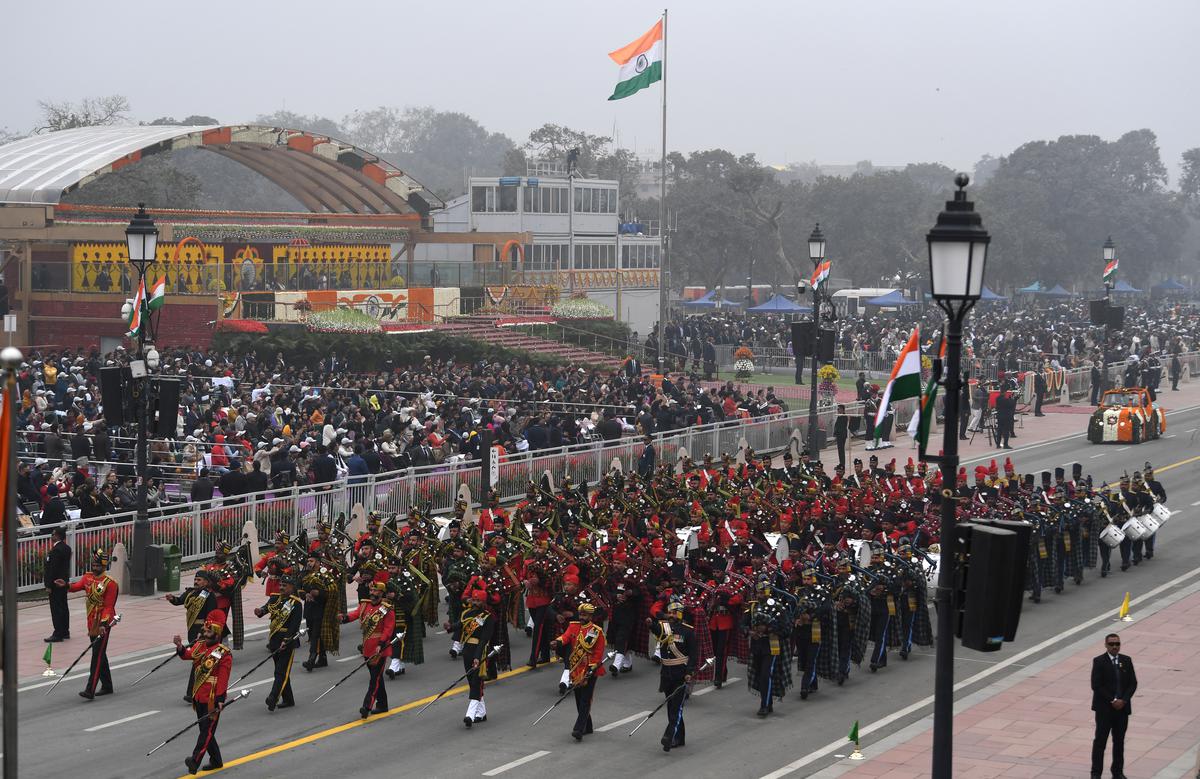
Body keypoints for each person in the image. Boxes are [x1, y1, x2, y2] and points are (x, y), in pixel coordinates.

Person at [173, 609, 231, 774]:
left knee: (206, 731)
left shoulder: (223, 653)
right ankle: (216, 760)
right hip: (198, 695)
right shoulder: (200, 645)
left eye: (208, 631)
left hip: (212, 697)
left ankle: (195, 760)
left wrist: (220, 698)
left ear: (217, 633)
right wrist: (179, 647)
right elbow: (188, 655)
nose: (204, 633)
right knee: (206, 730)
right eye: (204, 630)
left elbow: (223, 679)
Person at [54, 547, 117, 699]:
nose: (95, 568)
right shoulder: (87, 578)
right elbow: (76, 587)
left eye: (98, 566)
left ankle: (90, 689)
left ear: (104, 566)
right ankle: (107, 685)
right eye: (93, 565)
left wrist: (103, 625)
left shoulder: (110, 583)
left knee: (96, 656)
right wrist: (66, 585)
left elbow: (109, 607)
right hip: (90, 623)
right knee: (100, 653)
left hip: (103, 624)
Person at [342, 572, 396, 719]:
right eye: (371, 590)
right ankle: (383, 704)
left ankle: (367, 706)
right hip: (367, 646)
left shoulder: (386, 609)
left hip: (379, 648)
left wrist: (381, 643)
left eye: (375, 591)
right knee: (377, 677)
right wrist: (344, 618)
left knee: (374, 680)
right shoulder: (365, 604)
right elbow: (355, 614)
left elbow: (388, 629)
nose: (372, 593)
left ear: (381, 592)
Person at [552, 601, 607, 741]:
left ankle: (578, 728)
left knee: (585, 700)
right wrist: (557, 642)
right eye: (580, 614)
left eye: (585, 615)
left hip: (590, 669)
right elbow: (565, 637)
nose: (581, 617)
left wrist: (591, 668)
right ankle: (588, 726)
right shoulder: (573, 626)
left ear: (590, 616)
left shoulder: (596, 632)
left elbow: (598, 653)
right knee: (578, 699)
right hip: (576, 668)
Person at [165, 570, 219, 702]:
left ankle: (191, 692)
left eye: (199, 580)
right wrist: (172, 599)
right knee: (199, 660)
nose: (196, 582)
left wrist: (204, 630)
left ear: (206, 582)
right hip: (192, 630)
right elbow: (179, 601)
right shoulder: (190, 592)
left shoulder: (209, 596)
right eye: (195, 579)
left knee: (197, 659)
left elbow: (211, 616)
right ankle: (198, 690)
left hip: (202, 631)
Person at [649, 600, 695, 752]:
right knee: (671, 706)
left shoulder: (688, 631)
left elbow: (693, 655)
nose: (671, 615)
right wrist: (650, 624)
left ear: (681, 614)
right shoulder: (664, 628)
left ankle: (669, 737)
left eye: (675, 612)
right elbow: (657, 630)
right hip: (667, 673)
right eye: (670, 612)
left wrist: (689, 673)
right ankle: (680, 737)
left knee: (677, 707)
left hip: (680, 674)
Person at [254, 574, 304, 712]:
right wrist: (259, 611)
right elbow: (266, 609)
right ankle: (288, 699)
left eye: (284, 586)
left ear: (292, 587)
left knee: (280, 671)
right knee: (280, 670)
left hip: (286, 641)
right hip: (274, 639)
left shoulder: (296, 604)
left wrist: (286, 640)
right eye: (280, 585)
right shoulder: (275, 598)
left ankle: (273, 697)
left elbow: (294, 625)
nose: (281, 588)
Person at [1091, 632, 1136, 779]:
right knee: (1100, 742)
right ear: (1106, 645)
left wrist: (1123, 700)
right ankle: (1096, 773)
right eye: (1111, 644)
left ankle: (1117, 772)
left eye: (1117, 644)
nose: (1115, 647)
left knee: (1119, 741)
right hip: (1105, 709)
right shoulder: (1099, 661)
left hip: (1122, 709)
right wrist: (1112, 700)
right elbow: (1096, 685)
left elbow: (1132, 683)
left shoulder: (1126, 660)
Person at [454, 589, 494, 727]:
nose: (475, 603)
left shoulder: (488, 617)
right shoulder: (467, 613)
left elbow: (484, 640)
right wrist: (449, 628)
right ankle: (481, 713)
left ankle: (469, 715)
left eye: (478, 601)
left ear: (483, 602)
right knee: (472, 682)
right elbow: (459, 626)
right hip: (467, 650)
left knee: (477, 683)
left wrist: (478, 657)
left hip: (480, 651)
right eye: (474, 600)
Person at [43, 526, 71, 642]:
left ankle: (58, 633)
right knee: (63, 606)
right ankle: (65, 631)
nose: (51, 536)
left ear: (58, 536)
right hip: (63, 582)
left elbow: (52, 569)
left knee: (56, 608)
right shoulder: (66, 548)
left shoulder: (56, 551)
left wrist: (49, 585)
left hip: (55, 584)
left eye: (53, 534)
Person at [833, 404, 849, 471]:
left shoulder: (844, 417)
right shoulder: (840, 416)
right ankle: (841, 463)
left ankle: (842, 464)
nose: (838, 410)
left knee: (841, 451)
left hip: (841, 435)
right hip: (840, 435)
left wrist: (836, 433)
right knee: (840, 451)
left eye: (839, 409)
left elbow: (840, 427)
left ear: (842, 409)